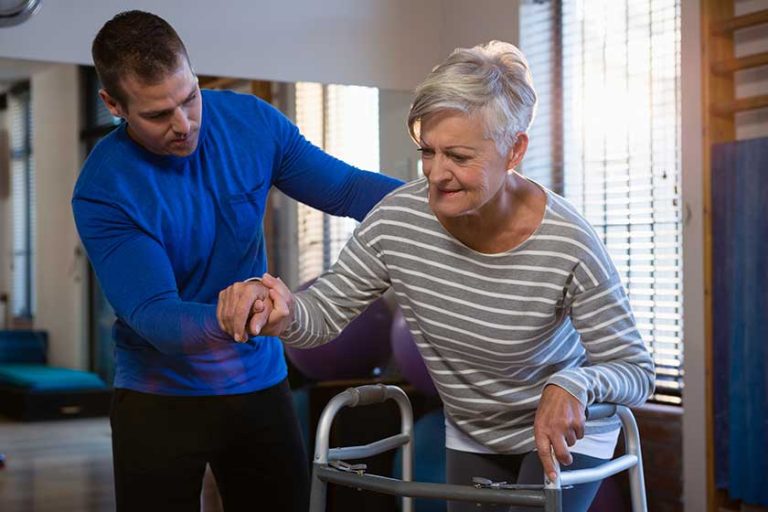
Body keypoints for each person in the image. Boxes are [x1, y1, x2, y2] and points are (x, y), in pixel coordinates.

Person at [219, 41, 655, 512]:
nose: (438, 174)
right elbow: (322, 314)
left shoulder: (568, 243)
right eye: (429, 151)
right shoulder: (397, 222)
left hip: (564, 429)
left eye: (460, 157)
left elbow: (637, 370)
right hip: (474, 429)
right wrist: (279, 310)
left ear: (514, 151)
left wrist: (574, 383)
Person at [71, 10, 402, 512]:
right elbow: (158, 317)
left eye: (189, 98)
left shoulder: (251, 124)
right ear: (113, 104)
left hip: (259, 387)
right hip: (157, 398)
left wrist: (446, 201)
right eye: (158, 115)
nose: (183, 125)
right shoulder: (104, 190)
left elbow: (350, 190)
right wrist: (239, 312)